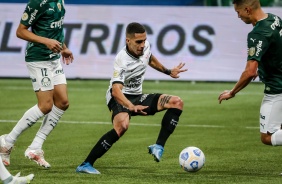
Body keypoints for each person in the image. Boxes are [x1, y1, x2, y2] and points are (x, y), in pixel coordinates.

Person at [76, 22, 187, 174]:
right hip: (120, 97)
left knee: (176, 102)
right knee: (122, 126)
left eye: (144, 40)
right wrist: (131, 106)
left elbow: (150, 58)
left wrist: (168, 72)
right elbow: (116, 90)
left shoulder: (145, 47)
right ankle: (86, 164)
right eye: (138, 42)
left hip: (137, 96)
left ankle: (158, 146)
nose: (143, 45)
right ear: (128, 41)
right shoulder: (122, 60)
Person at [0, 0, 74, 169]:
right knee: (46, 105)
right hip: (38, 59)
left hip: (54, 59)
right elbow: (20, 31)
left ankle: (35, 147)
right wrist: (45, 41)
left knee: (62, 103)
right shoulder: (37, 3)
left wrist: (63, 47)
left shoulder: (60, 1)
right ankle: (7, 142)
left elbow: (55, 29)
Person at [218, 0, 282, 147]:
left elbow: (249, 72)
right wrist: (265, 67)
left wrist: (232, 92)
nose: (238, 16)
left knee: (267, 137)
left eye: (238, 12)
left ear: (247, 10)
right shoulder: (275, 19)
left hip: (277, 90)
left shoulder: (257, 34)